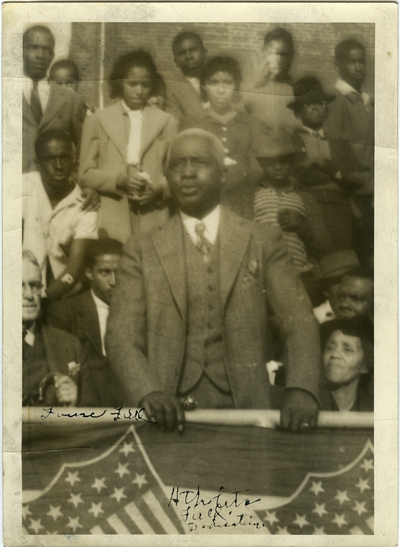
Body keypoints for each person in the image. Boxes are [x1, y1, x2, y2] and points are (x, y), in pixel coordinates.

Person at [106, 128, 321, 434]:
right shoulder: (141, 249)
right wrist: (148, 392)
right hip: (168, 419)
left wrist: (301, 388)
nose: (188, 173)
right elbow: (121, 336)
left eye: (200, 163)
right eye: (178, 165)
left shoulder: (262, 239)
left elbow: (298, 320)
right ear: (166, 176)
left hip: (248, 414)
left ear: (222, 174)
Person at [79, 50, 179, 242]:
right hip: (111, 211)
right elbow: (85, 174)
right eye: (132, 84)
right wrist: (120, 181)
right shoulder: (98, 120)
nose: (139, 91)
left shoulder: (167, 122)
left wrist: (158, 190)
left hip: (153, 213)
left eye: (145, 84)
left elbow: (175, 173)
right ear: (119, 83)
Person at [182, 55, 265, 219]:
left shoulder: (251, 124)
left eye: (227, 83)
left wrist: (239, 177)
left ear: (236, 86)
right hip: (203, 202)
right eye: (214, 83)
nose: (221, 90)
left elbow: (258, 167)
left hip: (243, 202)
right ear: (204, 86)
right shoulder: (192, 123)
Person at [253, 128, 331, 301]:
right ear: (261, 163)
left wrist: (303, 228)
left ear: (292, 162)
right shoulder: (251, 196)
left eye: (284, 161)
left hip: (298, 276)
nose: (278, 166)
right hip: (261, 274)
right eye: (271, 162)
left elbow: (324, 246)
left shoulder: (305, 198)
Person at [22, 129, 98, 302]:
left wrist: (43, 299)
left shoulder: (86, 204)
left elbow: (74, 268)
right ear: (38, 162)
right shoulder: (20, 186)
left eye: (64, 157)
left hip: (57, 293)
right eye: (50, 159)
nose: (58, 166)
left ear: (74, 160)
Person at [46, 239, 123, 406]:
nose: (114, 281)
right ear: (89, 273)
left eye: (120, 272)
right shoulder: (65, 312)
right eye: (105, 272)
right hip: (84, 409)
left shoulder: (138, 312)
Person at [288, 76, 356, 251]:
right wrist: (306, 166)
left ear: (326, 108)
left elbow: (357, 178)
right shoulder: (290, 141)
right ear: (297, 113)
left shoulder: (338, 143)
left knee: (342, 259)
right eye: (308, 104)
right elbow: (291, 175)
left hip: (338, 209)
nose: (315, 107)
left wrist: (331, 169)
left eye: (319, 102)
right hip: (306, 208)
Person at [325, 39, 374, 265]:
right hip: (353, 190)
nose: (358, 67)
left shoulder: (365, 100)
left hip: (372, 186)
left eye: (361, 62)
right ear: (338, 66)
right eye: (352, 62)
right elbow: (337, 148)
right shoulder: (337, 100)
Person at [22, 251, 85, 407]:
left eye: (35, 286)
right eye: (19, 286)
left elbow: (94, 417)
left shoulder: (70, 346)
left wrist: (75, 404)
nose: (29, 295)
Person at [22, 26, 87, 174]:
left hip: (57, 189)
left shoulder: (72, 99)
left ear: (52, 55)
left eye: (46, 50)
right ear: (21, 51)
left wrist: (74, 179)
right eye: (33, 48)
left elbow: (83, 150)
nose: (40, 55)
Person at [241, 28, 298, 132]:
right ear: (264, 53)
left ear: (292, 55)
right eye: (273, 54)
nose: (278, 60)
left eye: (283, 54)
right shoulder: (249, 89)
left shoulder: (298, 90)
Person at [319, 316, 373, 411]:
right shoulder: (307, 402)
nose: (334, 354)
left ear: (365, 365)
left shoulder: (374, 409)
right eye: (330, 348)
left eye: (347, 349)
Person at [165, 31, 208, 123]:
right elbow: (177, 123)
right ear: (176, 61)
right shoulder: (172, 92)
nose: (188, 57)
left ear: (204, 52)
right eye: (181, 53)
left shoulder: (220, 81)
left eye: (193, 50)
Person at [313, 250, 360, 324]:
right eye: (339, 281)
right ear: (326, 291)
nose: (348, 286)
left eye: (353, 279)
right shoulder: (316, 318)